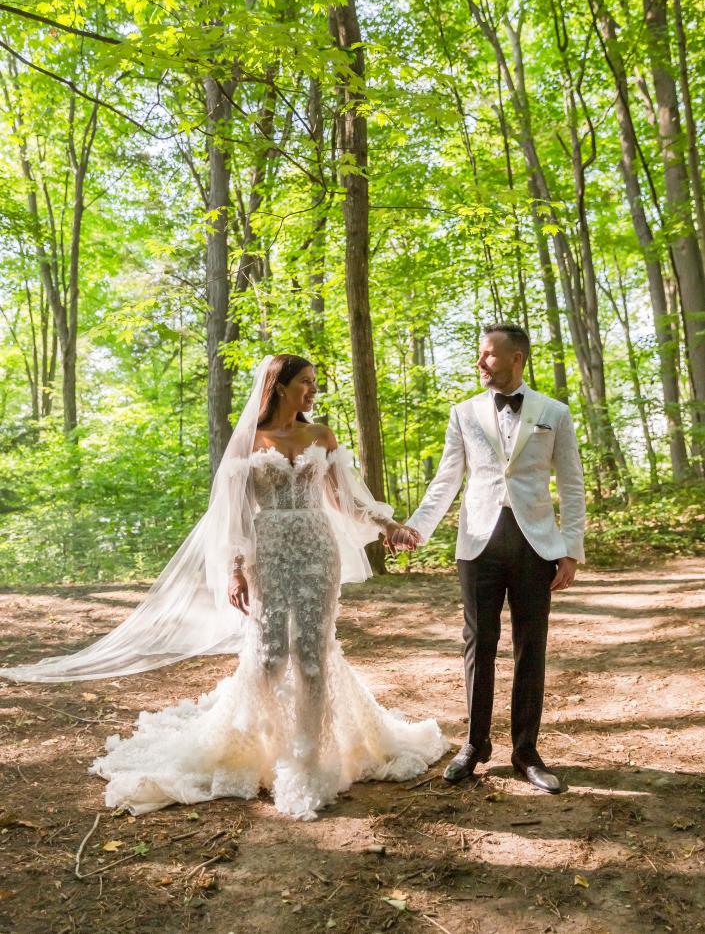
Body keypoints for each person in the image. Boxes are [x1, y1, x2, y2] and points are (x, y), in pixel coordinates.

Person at [1, 354, 447, 820]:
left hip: (318, 552)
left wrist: (390, 526)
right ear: (278, 387)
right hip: (267, 553)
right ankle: (260, 747)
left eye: (314, 383)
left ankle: (306, 763)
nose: (313, 391)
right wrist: (235, 568)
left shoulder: (321, 436)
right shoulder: (247, 443)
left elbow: (345, 498)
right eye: (305, 383)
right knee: (271, 654)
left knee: (314, 654)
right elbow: (233, 514)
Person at [392, 324, 585, 794]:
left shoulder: (554, 413)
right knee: (479, 643)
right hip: (477, 542)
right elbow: (446, 480)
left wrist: (571, 549)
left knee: (529, 647)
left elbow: (572, 484)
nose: (480, 363)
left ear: (516, 358)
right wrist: (415, 526)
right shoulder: (464, 412)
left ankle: (526, 751)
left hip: (535, 542)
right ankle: (475, 746)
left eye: (488, 356)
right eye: (480, 355)